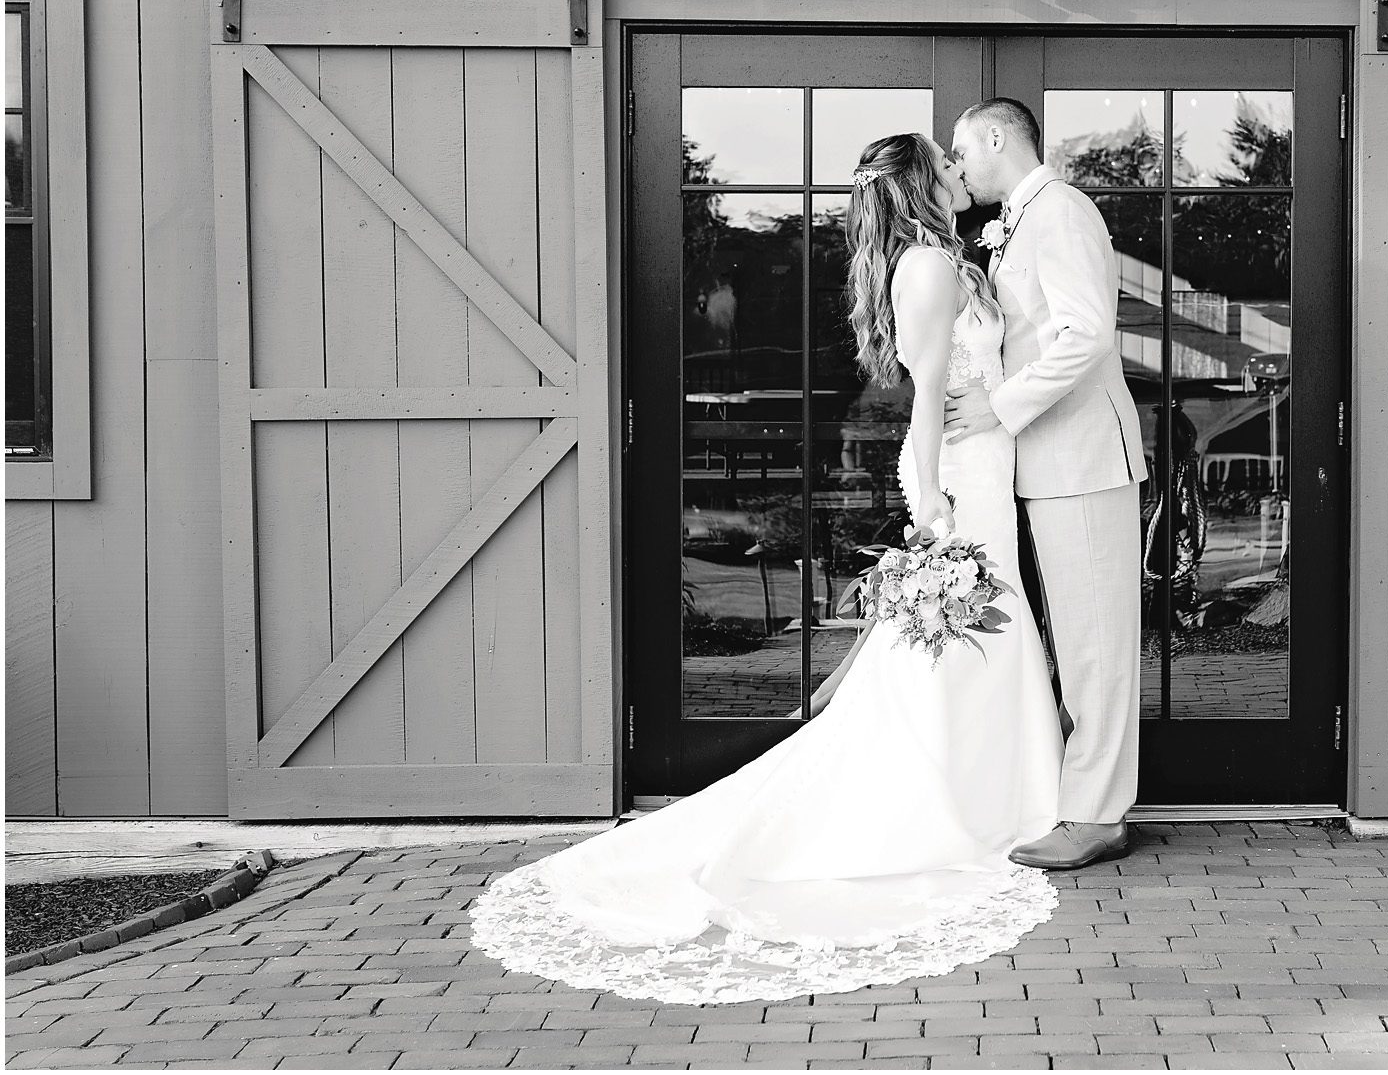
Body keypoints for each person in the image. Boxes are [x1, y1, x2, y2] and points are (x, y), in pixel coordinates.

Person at [467, 132, 1064, 1006]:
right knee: (956, 648)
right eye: (943, 162)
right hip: (960, 478)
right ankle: (957, 810)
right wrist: (931, 502)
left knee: (965, 649)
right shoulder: (930, 269)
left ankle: (993, 798)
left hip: (985, 466)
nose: (956, 169)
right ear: (917, 185)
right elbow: (927, 391)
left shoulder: (945, 259)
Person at [943, 97, 1149, 871]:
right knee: (1078, 638)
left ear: (997, 136)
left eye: (962, 148)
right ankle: (1084, 795)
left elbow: (1087, 333)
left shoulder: (1061, 211)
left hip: (1085, 459)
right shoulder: (1018, 221)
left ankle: (1097, 814)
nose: (957, 163)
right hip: (1051, 463)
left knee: (1097, 643)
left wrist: (998, 407)